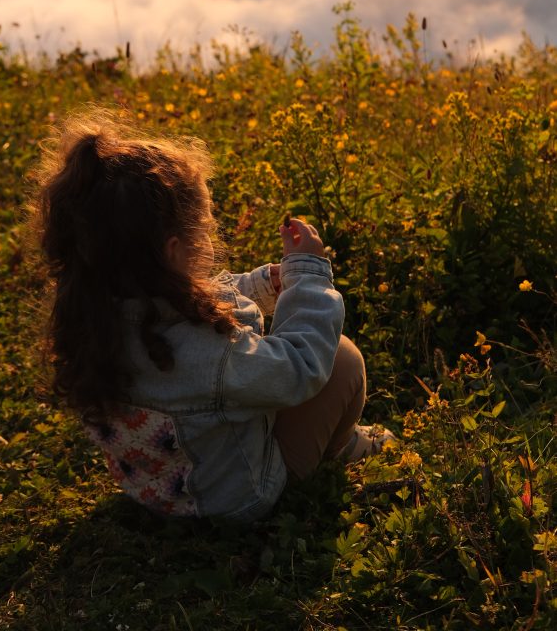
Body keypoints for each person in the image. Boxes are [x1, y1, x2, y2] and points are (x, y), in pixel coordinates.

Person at [34, 107, 394, 522]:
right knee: (341, 359)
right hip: (238, 499)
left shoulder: (91, 315)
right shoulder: (211, 356)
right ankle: (339, 445)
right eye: (203, 228)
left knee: (251, 379)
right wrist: (308, 275)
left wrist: (261, 287)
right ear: (172, 251)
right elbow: (301, 367)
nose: (208, 235)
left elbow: (191, 301)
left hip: (151, 490)